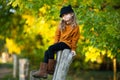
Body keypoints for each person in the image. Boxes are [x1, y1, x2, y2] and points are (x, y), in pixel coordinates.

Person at [33, 5, 80, 79]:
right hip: (60, 43)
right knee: (47, 52)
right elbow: (57, 35)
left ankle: (51, 69)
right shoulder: (61, 25)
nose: (65, 16)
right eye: (63, 15)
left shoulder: (75, 27)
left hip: (67, 44)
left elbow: (75, 39)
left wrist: (73, 49)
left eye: (66, 14)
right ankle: (43, 72)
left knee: (50, 48)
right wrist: (55, 45)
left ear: (72, 14)